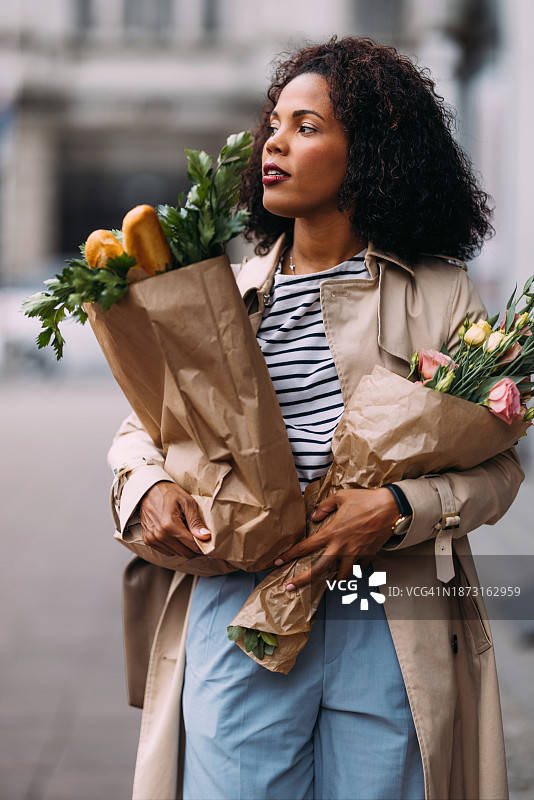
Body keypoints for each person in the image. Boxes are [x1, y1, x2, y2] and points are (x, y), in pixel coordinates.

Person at [108, 37, 523, 800]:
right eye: (274, 123)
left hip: (383, 604)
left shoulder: (441, 296)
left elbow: (499, 468)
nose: (274, 141)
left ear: (367, 152)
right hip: (241, 595)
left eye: (306, 126)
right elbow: (148, 425)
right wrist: (147, 490)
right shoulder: (218, 295)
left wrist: (399, 507)